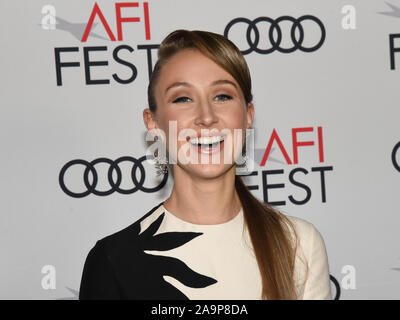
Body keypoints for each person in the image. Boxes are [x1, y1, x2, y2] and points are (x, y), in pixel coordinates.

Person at [79, 29, 332, 300]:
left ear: (248, 115)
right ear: (153, 123)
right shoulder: (114, 261)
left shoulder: (298, 244)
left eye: (222, 96)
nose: (206, 117)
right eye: (183, 99)